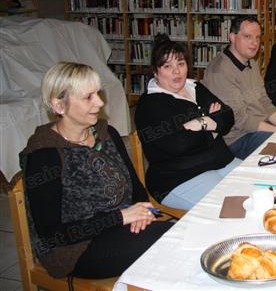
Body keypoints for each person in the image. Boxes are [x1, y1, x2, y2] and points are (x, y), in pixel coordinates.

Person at [19, 62, 171, 279]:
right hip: (75, 249)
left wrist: (140, 213)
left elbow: (136, 188)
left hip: (120, 224)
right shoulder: (44, 156)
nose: (100, 102)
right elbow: (52, 235)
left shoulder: (106, 133)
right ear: (59, 105)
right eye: (88, 97)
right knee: (166, 242)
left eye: (98, 93)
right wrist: (120, 217)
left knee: (173, 236)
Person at [135, 34, 239, 210]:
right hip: (179, 177)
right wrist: (213, 126)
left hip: (220, 161)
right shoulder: (150, 105)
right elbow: (178, 144)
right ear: (155, 71)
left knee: (256, 186)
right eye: (167, 66)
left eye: (181, 64)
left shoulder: (195, 87)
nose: (177, 72)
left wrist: (202, 124)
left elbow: (228, 116)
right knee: (232, 208)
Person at [203, 16, 276, 159]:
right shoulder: (220, 70)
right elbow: (241, 120)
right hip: (237, 139)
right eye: (248, 37)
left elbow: (265, 101)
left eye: (258, 38)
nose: (255, 43)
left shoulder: (251, 62)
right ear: (233, 37)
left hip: (258, 128)